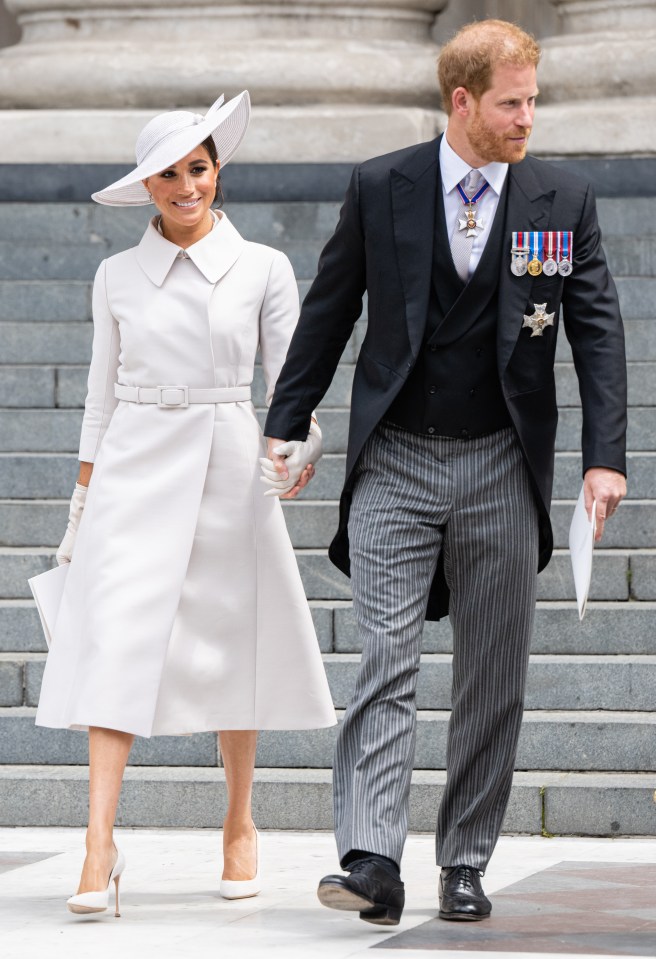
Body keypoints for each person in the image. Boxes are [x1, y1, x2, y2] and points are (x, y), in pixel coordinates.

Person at [262, 20, 627, 925]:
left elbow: (598, 331)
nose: (528, 118)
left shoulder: (561, 196)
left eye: (533, 100)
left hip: (502, 461)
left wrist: (605, 457)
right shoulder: (380, 184)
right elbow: (331, 305)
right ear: (462, 102)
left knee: (491, 671)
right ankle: (372, 857)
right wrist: (285, 418)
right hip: (395, 458)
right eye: (512, 102)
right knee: (385, 657)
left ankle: (464, 860)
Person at [35, 91, 335, 917]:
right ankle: (100, 841)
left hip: (229, 460)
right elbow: (98, 396)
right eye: (167, 174)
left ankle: (240, 819)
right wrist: (79, 504)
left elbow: (294, 381)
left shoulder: (264, 267)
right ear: (146, 186)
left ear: (217, 171)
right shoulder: (114, 275)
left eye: (197, 169)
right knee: (113, 643)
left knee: (231, 640)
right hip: (133, 458)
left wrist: (300, 446)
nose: (185, 186)